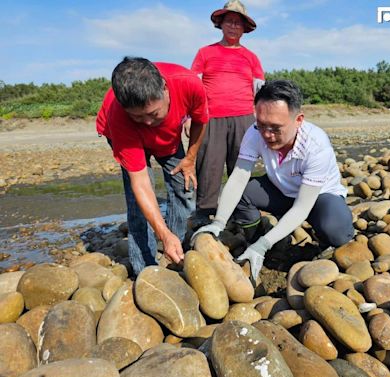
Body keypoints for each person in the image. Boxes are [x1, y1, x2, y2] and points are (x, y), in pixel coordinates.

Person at [191, 80, 354, 281]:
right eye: (261, 125)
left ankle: (282, 243)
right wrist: (219, 222)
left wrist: (263, 246)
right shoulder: (254, 132)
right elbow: (239, 176)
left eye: (276, 128)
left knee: (337, 233)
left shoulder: (317, 146)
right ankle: (258, 237)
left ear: (299, 120)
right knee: (242, 193)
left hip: (318, 198)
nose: (267, 134)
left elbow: (302, 207)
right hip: (280, 192)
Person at [96, 57, 208, 274]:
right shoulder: (118, 115)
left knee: (185, 188)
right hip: (127, 136)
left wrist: (190, 159)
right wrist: (162, 233)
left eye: (153, 113)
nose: (147, 123)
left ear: (165, 89)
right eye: (138, 116)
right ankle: (146, 270)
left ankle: (176, 250)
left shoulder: (189, 83)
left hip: (169, 135)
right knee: (138, 206)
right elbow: (141, 183)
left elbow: (200, 120)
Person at [191, 0, 265, 224]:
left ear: (244, 29)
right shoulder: (205, 53)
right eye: (229, 22)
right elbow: (193, 86)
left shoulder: (251, 57)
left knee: (241, 165)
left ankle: (241, 208)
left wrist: (261, 119)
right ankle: (205, 211)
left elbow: (260, 90)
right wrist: (189, 117)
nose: (233, 27)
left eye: (238, 23)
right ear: (221, 24)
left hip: (244, 118)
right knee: (208, 166)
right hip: (210, 118)